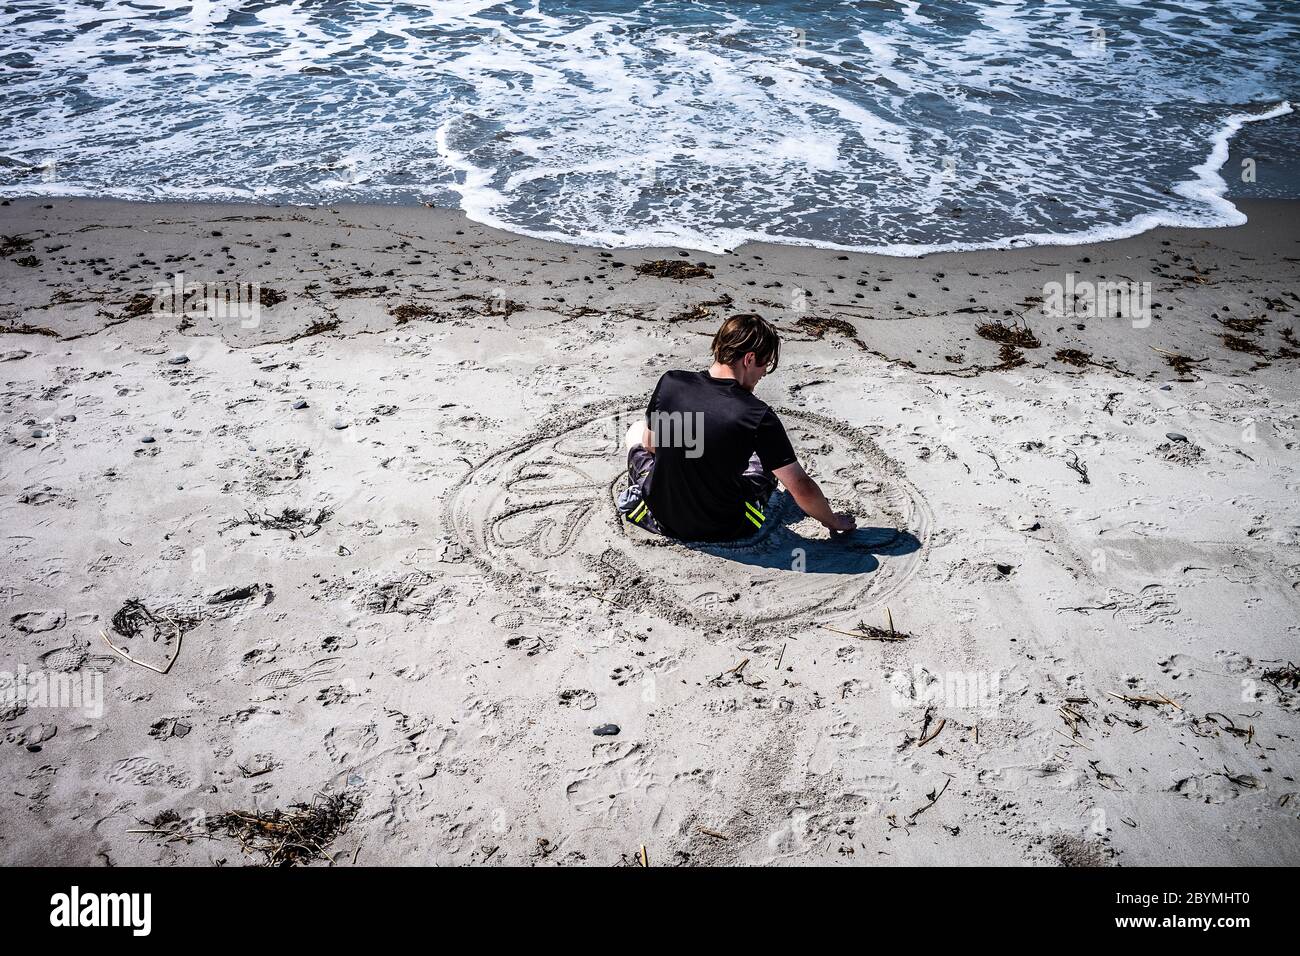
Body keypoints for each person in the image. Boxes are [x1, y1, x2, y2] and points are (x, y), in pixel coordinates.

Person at [619, 312, 856, 542]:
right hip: (725, 526)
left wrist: (690, 449)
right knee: (765, 466)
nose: (764, 372)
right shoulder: (756, 414)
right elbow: (800, 486)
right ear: (749, 359)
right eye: (766, 364)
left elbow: (651, 445)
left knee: (638, 430)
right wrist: (832, 520)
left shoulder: (671, 382)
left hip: (660, 516)